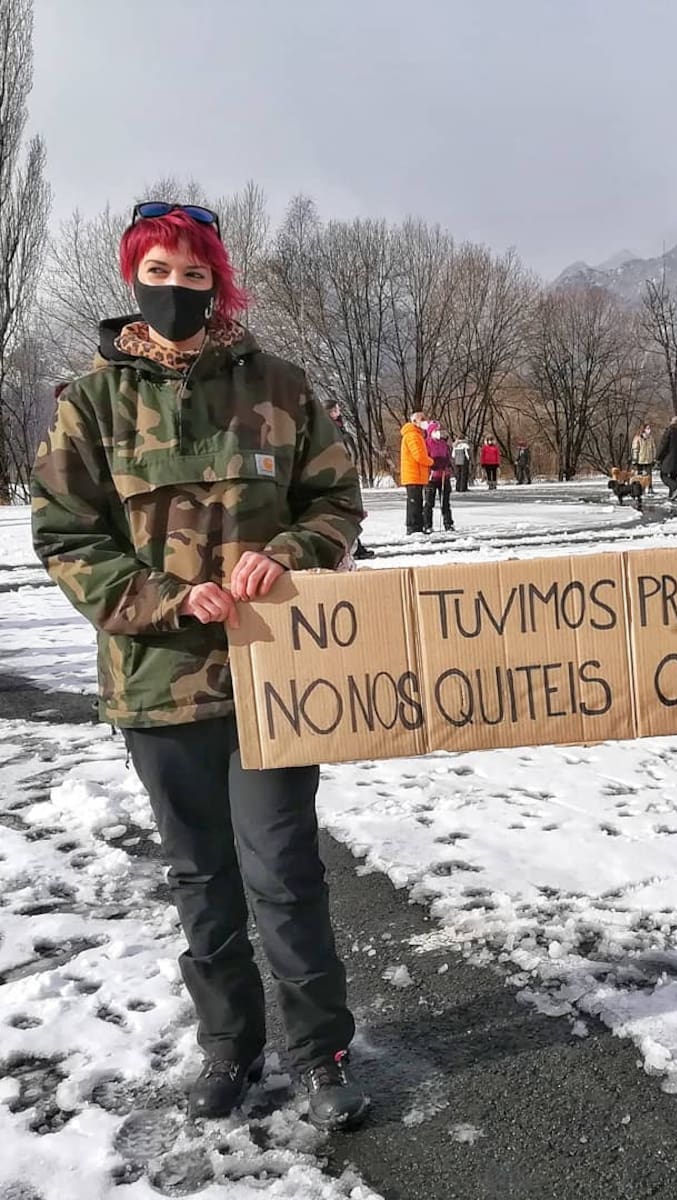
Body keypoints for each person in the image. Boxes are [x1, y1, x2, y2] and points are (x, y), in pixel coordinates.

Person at [30, 202, 371, 1129]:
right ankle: (230, 1047)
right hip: (157, 682)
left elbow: (336, 502)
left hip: (275, 678)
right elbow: (66, 537)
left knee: (284, 872)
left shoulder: (279, 385)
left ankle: (321, 1052)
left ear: (218, 282)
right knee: (201, 878)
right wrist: (169, 599)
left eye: (194, 274)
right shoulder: (91, 403)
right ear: (132, 277)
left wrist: (289, 554)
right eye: (159, 272)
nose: (176, 289)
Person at [326, 402, 375, 559]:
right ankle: (352, 547)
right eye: (335, 410)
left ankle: (354, 545)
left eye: (338, 409)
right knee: (344, 513)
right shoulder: (330, 432)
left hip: (343, 477)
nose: (338, 412)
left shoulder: (338, 430)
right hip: (339, 478)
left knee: (347, 513)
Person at [399, 410, 434, 534]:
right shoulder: (412, 435)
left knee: (417, 502)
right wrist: (431, 461)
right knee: (414, 502)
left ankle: (417, 527)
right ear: (414, 421)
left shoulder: (417, 435)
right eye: (422, 419)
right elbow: (419, 456)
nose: (425, 422)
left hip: (416, 475)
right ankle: (414, 527)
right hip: (413, 474)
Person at [423, 420, 455, 533]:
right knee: (429, 502)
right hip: (431, 477)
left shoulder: (443, 443)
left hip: (444, 476)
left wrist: (447, 463)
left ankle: (448, 524)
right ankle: (427, 525)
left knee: (445, 502)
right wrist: (434, 463)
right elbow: (425, 458)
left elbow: (448, 456)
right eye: (436, 430)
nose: (439, 432)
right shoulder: (426, 443)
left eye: (439, 430)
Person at [656, 415, 677, 499]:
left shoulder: (669, 432)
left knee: (663, 475)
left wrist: (658, 457)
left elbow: (663, 446)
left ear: (671, 422)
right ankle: (672, 495)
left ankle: (676, 488)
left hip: (670, 458)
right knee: (673, 476)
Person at [631, 423, 655, 492]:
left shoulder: (650, 438)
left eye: (649, 428)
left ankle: (650, 488)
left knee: (649, 475)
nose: (649, 430)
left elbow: (653, 448)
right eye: (647, 428)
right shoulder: (638, 438)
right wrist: (635, 459)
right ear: (643, 429)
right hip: (640, 460)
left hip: (649, 460)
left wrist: (654, 458)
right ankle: (639, 489)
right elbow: (635, 449)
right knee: (640, 476)